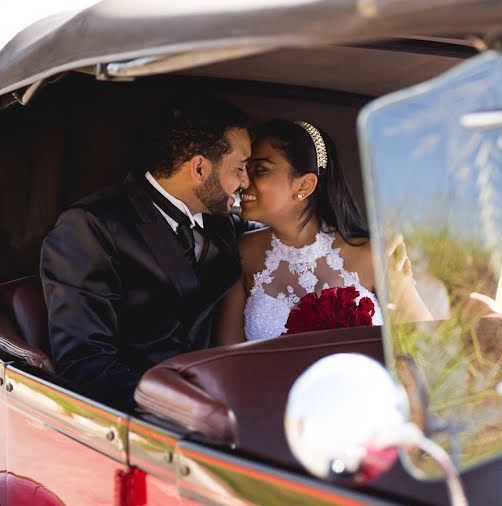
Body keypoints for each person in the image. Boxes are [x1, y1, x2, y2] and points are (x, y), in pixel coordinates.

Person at [40, 95, 251, 410]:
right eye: (240, 168)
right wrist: (179, 411)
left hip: (228, 398)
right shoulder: (90, 227)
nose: (246, 181)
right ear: (199, 168)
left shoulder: (221, 224)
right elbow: (85, 361)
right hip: (148, 419)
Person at [216, 119, 432, 345]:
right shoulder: (244, 252)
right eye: (245, 169)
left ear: (304, 186)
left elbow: (424, 344)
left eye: (260, 170)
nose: (244, 181)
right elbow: (226, 356)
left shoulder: (376, 254)